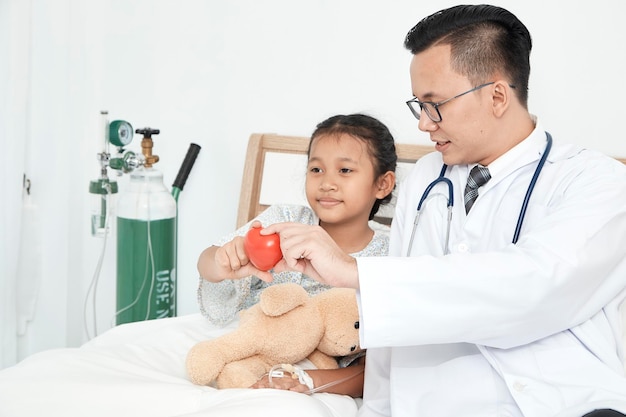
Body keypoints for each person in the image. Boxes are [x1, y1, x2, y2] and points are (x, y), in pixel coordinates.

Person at [261, 5, 626, 417]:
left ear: (497, 96)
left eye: (435, 104)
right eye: (418, 105)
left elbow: (533, 286)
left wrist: (355, 272)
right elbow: (391, 339)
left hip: (561, 402)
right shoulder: (426, 178)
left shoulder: (596, 182)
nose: (423, 123)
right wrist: (377, 408)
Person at [196, 113, 397, 397]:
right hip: (252, 349)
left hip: (319, 378)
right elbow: (205, 262)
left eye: (345, 171)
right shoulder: (283, 221)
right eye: (316, 170)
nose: (327, 183)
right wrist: (221, 261)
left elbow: (376, 370)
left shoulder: (389, 256)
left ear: (382, 184)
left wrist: (302, 380)